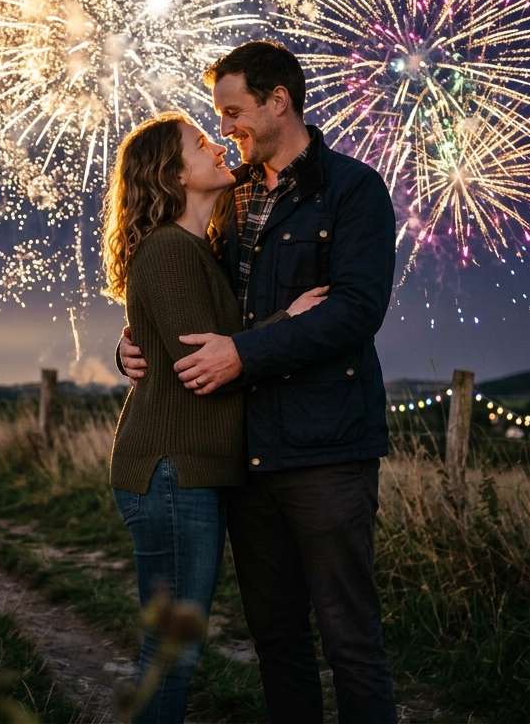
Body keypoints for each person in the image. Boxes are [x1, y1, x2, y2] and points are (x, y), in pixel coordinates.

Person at [117, 40, 399, 724]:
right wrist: (136, 338)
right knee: (277, 640)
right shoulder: (230, 199)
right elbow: (190, 300)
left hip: (326, 449)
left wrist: (245, 353)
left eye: (235, 110)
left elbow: (356, 311)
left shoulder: (353, 190)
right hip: (246, 456)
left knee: (349, 636)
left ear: (280, 101)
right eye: (219, 114)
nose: (226, 127)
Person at [102, 110, 326, 724]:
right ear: (173, 174)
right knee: (172, 649)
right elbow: (204, 362)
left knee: (175, 645)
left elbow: (186, 339)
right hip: (173, 473)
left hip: (187, 473)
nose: (218, 144)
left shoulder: (196, 248)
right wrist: (292, 321)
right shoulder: (170, 251)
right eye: (200, 144)